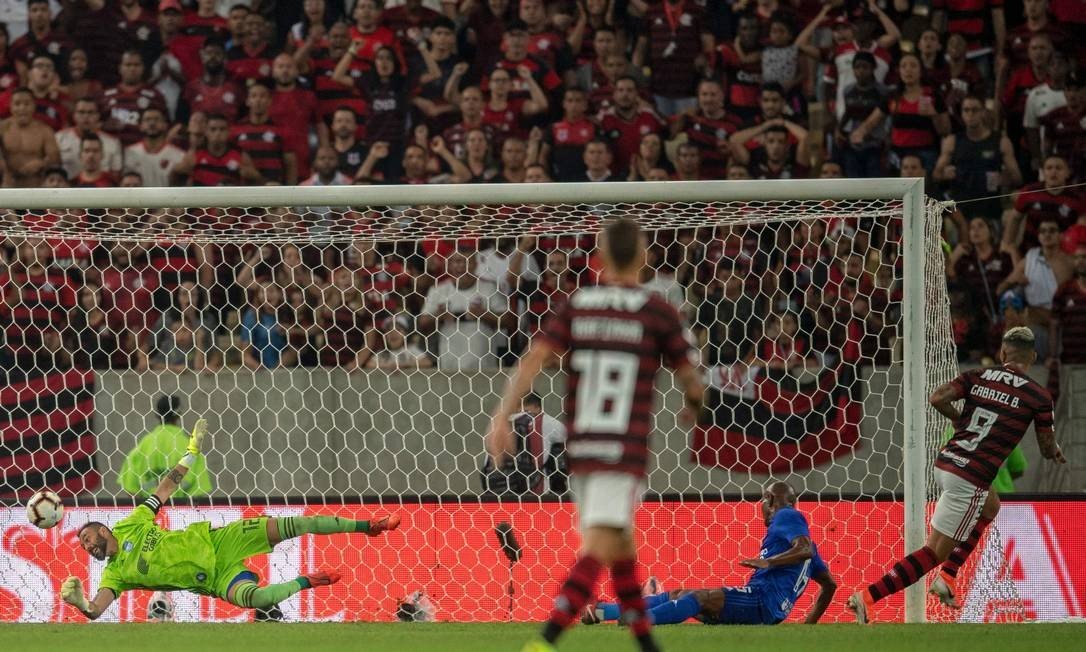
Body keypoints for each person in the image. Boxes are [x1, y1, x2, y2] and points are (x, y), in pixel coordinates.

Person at [487, 217, 704, 652]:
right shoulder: (657, 310)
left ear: (599, 257)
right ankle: (544, 642)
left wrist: (501, 416)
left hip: (581, 448)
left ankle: (646, 643)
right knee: (602, 544)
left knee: (621, 545)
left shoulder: (579, 305)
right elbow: (693, 382)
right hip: (624, 449)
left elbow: (533, 359)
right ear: (644, 257)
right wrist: (693, 408)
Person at [63, 419, 401, 619]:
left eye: (90, 538)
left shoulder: (132, 522)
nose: (89, 547)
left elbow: (165, 487)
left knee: (297, 523)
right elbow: (94, 610)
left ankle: (369, 526)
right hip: (215, 578)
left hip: (219, 539)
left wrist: (190, 453)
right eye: (85, 546)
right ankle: (309, 580)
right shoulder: (116, 575)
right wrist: (79, 601)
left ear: (105, 529)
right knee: (259, 599)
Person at [848, 327, 1064, 621]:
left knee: (991, 505)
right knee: (934, 552)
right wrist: (1055, 451)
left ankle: (948, 577)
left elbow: (937, 398)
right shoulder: (1038, 396)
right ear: (1033, 357)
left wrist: (962, 420)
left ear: (1002, 353)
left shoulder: (977, 376)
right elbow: (1047, 447)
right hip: (970, 477)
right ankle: (868, 596)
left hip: (947, 461)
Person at [584, 481, 836, 626]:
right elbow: (830, 585)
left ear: (769, 499)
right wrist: (809, 625)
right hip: (768, 609)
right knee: (678, 594)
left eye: (762, 501)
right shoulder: (814, 551)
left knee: (701, 597)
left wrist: (767, 562)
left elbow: (801, 549)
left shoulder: (786, 515)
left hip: (762, 601)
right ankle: (604, 611)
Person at [118, 396, 212, 498]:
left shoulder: (143, 445)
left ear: (157, 414)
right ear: (179, 414)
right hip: (180, 512)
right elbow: (198, 490)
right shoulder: (189, 446)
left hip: (150, 511)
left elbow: (130, 488)